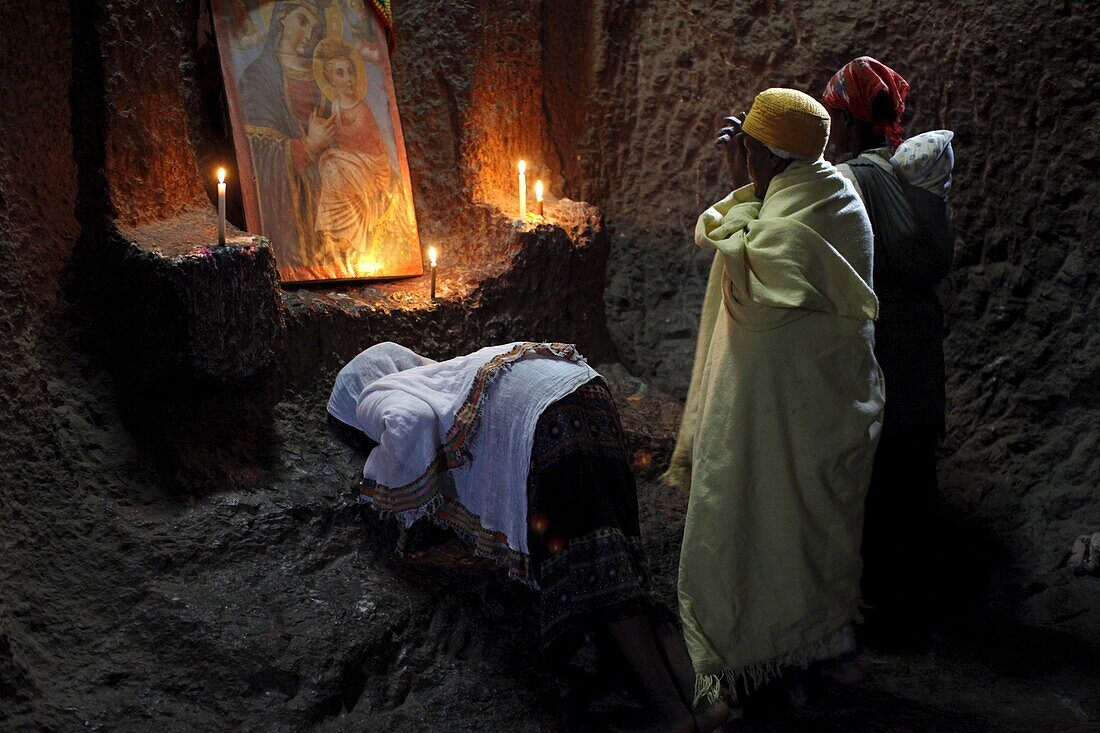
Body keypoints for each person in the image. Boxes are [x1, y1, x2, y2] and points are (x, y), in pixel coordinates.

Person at [328, 342, 733, 733]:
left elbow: (408, 421)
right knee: (625, 564)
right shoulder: (453, 374)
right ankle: (704, 703)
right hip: (585, 390)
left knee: (601, 574)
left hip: (551, 422)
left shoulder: (380, 390)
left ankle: (671, 715)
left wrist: (378, 474)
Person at [665, 88, 884, 707]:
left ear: (774, 157)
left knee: (769, 512)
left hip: (797, 411)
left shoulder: (804, 218)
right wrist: (753, 179)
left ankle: (777, 644)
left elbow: (744, 252)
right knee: (808, 521)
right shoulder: (836, 192)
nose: (743, 160)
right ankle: (817, 642)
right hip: (825, 406)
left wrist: (740, 183)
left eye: (751, 152)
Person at [822, 57, 955, 646]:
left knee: (874, 487)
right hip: (923, 349)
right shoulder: (916, 175)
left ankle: (881, 622)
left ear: (851, 123)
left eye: (832, 118)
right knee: (914, 481)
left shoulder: (854, 180)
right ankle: (918, 612)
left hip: (881, 354)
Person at [237, 0, 331, 277]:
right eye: (302, 21)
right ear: (281, 18)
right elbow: (257, 154)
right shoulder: (258, 78)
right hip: (290, 201)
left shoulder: (322, 78)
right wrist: (307, 146)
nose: (308, 34)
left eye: (315, 28)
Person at [313, 38, 394, 258]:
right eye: (341, 73)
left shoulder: (362, 109)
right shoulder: (336, 105)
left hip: (372, 165)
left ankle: (353, 236)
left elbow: (355, 135)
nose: (348, 78)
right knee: (332, 166)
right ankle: (333, 234)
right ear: (330, 80)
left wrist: (327, 132)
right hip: (349, 160)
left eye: (350, 72)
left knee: (333, 165)